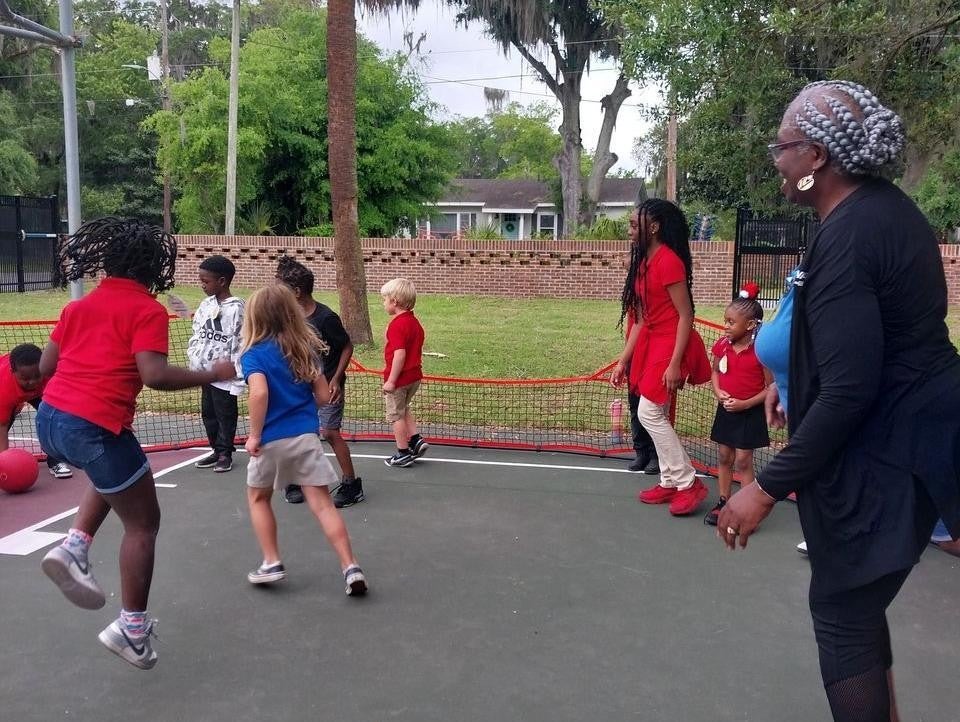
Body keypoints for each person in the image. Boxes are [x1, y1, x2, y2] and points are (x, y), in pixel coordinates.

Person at [717, 81, 960, 722]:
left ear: (817, 157)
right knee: (856, 602)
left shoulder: (851, 236)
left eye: (783, 146)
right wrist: (787, 379)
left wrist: (764, 487)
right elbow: (861, 341)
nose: (777, 159)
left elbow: (852, 389)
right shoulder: (883, 209)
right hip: (913, 428)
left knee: (843, 611)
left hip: (896, 448)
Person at [36, 217, 236, 670]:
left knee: (116, 474)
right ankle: (131, 629)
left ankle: (74, 545)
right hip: (94, 426)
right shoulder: (146, 310)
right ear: (152, 265)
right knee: (143, 524)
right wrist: (212, 374)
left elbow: (46, 367)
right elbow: (155, 375)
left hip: (51, 420)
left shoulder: (78, 306)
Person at [239, 284, 367, 596]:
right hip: (306, 438)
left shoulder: (254, 354)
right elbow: (323, 396)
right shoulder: (303, 350)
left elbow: (259, 393)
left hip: (270, 441)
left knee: (258, 499)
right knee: (323, 505)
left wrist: (254, 435)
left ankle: (271, 561)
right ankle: (351, 566)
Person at [610, 199, 711, 516]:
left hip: (671, 343)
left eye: (633, 225)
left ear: (653, 228)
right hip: (652, 342)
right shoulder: (642, 263)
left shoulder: (668, 261)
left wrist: (675, 363)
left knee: (649, 413)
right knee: (657, 412)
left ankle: (687, 482)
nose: (629, 231)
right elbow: (641, 320)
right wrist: (623, 360)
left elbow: (686, 315)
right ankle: (669, 481)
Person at [275, 256, 363, 507]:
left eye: (281, 289)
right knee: (296, 432)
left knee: (330, 433)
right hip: (298, 385)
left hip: (327, 384)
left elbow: (346, 346)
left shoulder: (325, 318)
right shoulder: (286, 317)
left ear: (296, 292)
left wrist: (336, 379)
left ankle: (351, 484)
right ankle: (295, 480)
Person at [703, 286, 770, 526]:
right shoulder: (722, 345)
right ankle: (724, 502)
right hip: (727, 409)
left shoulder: (761, 351)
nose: (726, 326)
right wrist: (718, 392)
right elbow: (714, 372)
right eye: (725, 321)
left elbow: (770, 388)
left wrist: (744, 404)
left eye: (731, 322)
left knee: (743, 460)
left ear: (750, 325)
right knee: (724, 455)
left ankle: (746, 508)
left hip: (750, 412)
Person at [188, 255, 244, 473]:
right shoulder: (206, 304)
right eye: (200, 280)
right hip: (206, 373)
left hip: (225, 375)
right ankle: (215, 449)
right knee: (208, 414)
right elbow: (197, 333)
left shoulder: (237, 308)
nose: (202, 285)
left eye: (206, 281)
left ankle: (225, 453)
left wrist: (237, 375)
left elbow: (240, 342)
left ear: (222, 281)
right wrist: (195, 359)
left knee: (225, 415)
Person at [0, 343, 72, 478]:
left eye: (37, 376)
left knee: (53, 420)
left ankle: (56, 461)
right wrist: (4, 464)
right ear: (12, 372)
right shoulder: (4, 388)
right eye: (26, 379)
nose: (32, 382)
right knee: (4, 422)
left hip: (42, 393)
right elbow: (2, 427)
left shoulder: (50, 374)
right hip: (9, 394)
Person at [380, 278, 428, 468]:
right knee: (404, 407)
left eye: (384, 299)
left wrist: (391, 381)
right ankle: (415, 439)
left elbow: (400, 354)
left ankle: (403, 453)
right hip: (414, 377)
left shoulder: (397, 325)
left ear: (394, 301)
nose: (383, 303)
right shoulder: (414, 323)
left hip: (399, 379)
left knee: (396, 415)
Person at [620, 247, 659, 475]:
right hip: (634, 352)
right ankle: (641, 451)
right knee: (635, 405)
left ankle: (655, 454)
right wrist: (625, 358)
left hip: (653, 353)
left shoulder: (652, 290)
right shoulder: (632, 290)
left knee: (651, 406)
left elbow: (642, 324)